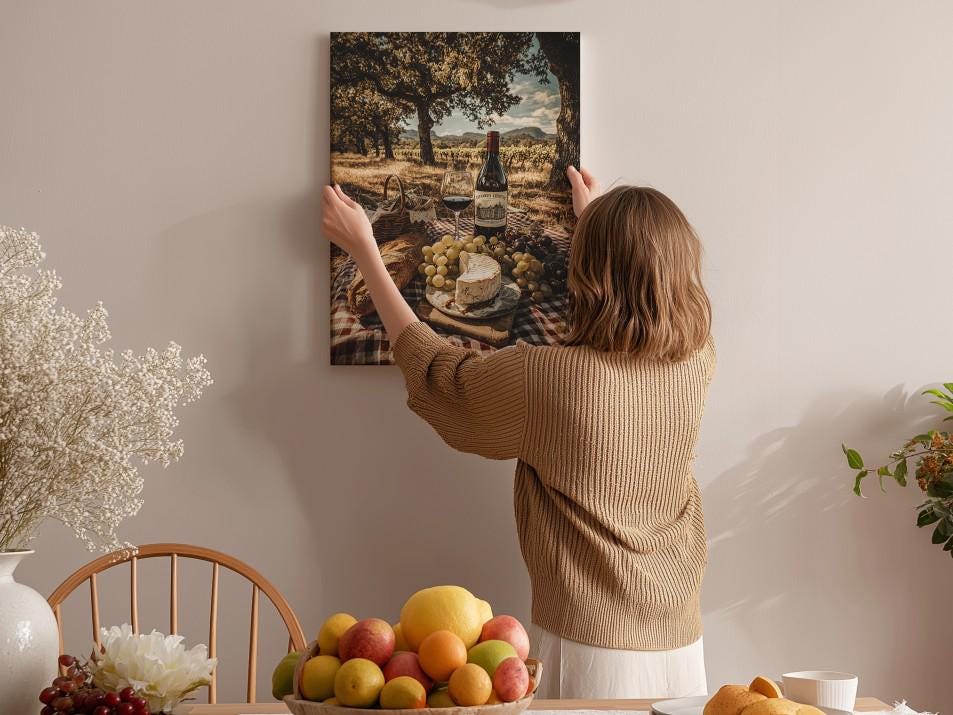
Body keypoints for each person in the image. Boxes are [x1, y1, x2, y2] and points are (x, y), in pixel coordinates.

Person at [321, 166, 715, 699]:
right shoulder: (698, 359)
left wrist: (366, 250)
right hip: (682, 640)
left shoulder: (547, 377)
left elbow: (440, 373)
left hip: (588, 645)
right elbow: (632, 313)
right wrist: (596, 226)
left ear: (589, 272)